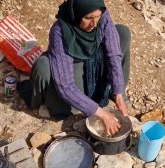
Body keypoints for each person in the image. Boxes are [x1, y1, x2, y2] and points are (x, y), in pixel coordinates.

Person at [18, 0, 131, 136]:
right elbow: (65, 85)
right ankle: (57, 102)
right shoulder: (59, 31)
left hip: (95, 60)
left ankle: (110, 90)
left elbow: (113, 55)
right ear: (76, 14)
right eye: (88, 18)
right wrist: (100, 113)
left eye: (97, 17)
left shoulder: (103, 16)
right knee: (43, 66)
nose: (94, 24)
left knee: (122, 32)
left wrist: (117, 93)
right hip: (72, 65)